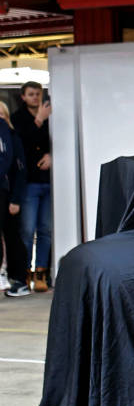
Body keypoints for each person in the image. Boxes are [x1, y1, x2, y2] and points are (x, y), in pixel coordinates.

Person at [12, 82, 52, 292]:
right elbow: (22, 146)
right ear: (23, 97)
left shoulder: (50, 117)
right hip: (28, 182)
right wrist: (39, 120)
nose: (35, 98)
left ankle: (41, 273)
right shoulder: (18, 118)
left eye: (38, 94)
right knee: (27, 230)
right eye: (31, 94)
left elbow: (58, 141)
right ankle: (24, 273)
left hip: (48, 180)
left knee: (45, 229)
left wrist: (51, 156)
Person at [0, 100, 30, 297]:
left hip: (7, 194)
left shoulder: (12, 137)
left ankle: (19, 279)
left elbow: (19, 171)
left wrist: (16, 199)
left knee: (13, 236)